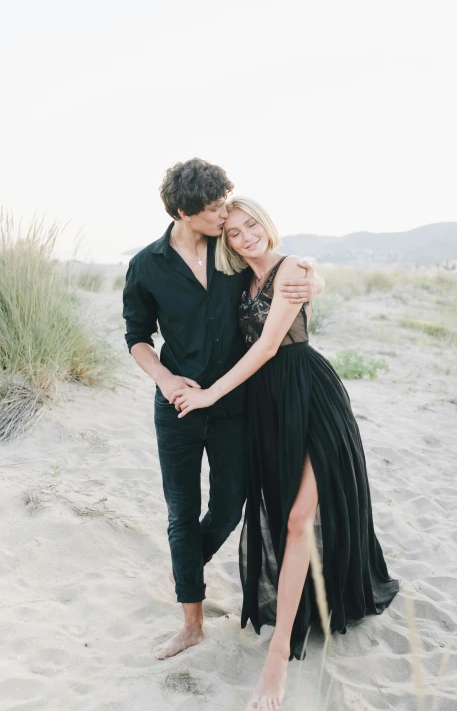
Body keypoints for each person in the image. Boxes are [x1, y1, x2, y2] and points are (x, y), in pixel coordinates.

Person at [171, 197, 400, 709]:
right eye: (234, 232)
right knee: (279, 511)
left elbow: (270, 344)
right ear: (226, 241)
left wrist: (210, 394)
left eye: (252, 224)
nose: (247, 235)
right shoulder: (239, 283)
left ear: (266, 224)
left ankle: (278, 656)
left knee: (299, 519)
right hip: (266, 408)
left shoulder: (293, 266)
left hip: (310, 399)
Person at [122, 159, 324, 662]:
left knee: (231, 505)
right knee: (181, 512)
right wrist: (166, 379)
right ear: (183, 212)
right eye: (213, 209)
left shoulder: (230, 247)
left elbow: (278, 269)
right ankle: (191, 622)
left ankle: (185, 563)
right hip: (179, 407)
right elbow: (136, 338)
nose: (225, 214)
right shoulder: (147, 265)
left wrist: (313, 280)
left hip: (236, 402)